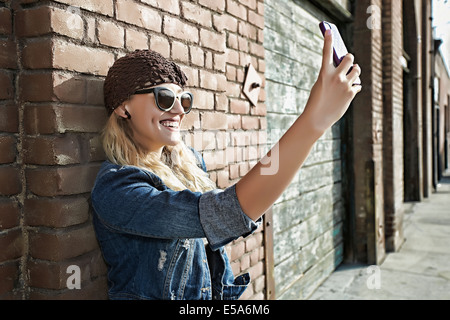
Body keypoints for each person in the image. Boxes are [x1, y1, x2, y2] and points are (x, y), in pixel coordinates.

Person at [90, 29, 362, 300]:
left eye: (184, 100)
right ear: (123, 107)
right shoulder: (118, 189)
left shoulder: (190, 165)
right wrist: (312, 122)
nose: (179, 110)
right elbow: (229, 211)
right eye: (164, 98)